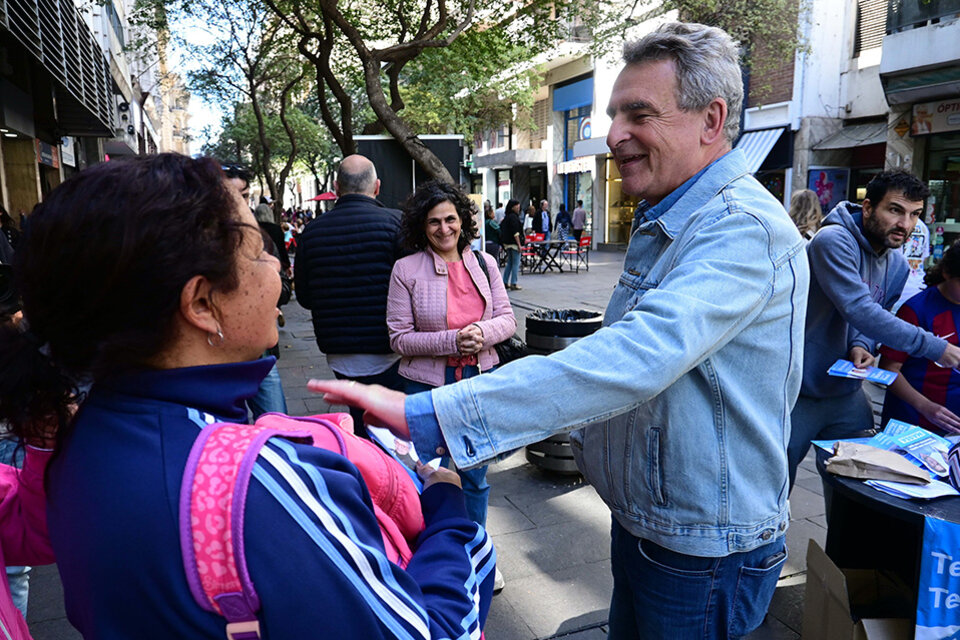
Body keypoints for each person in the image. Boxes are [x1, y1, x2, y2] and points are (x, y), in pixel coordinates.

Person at [312, 22, 809, 639]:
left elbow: (635, 357)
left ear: (711, 120)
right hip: (651, 527)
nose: (614, 134)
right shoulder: (674, 217)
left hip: (701, 550)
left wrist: (434, 415)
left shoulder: (739, 229)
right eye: (613, 114)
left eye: (639, 114)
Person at [0, 153, 493, 637]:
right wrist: (446, 506)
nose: (276, 266)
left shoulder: (79, 440)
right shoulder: (254, 484)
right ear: (201, 303)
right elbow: (432, 630)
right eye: (258, 251)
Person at [788, 170, 960, 486]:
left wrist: (862, 345)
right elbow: (860, 308)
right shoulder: (833, 241)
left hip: (847, 391)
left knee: (861, 489)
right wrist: (937, 347)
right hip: (797, 390)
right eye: (895, 210)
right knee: (774, 487)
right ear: (868, 208)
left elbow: (871, 319)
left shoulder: (895, 263)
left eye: (915, 214)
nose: (905, 224)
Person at [387, 181, 516, 589]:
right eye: (434, 222)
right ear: (421, 227)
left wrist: (482, 332)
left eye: (450, 220)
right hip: (425, 385)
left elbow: (508, 320)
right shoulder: (406, 269)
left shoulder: (485, 263)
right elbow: (398, 337)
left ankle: (476, 551)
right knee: (426, 472)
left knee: (475, 474)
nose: (444, 229)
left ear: (463, 220)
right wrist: (451, 340)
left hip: (477, 381)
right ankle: (432, 554)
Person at [295, 155, 407, 436]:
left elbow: (305, 297)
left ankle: (365, 465)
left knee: (360, 416)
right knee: (387, 422)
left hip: (339, 352)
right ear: (377, 187)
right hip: (388, 348)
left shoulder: (311, 232)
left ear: (336, 187)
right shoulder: (397, 224)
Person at [222, 164, 289, 418]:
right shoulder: (199, 243)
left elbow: (282, 291)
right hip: (219, 356)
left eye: (245, 196)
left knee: (279, 428)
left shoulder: (262, 237)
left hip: (260, 356)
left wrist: (265, 276)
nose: (240, 204)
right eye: (231, 195)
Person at [879, 241, 960, 435]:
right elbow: (888, 369)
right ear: (947, 273)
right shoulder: (917, 309)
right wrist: (925, 406)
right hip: (912, 421)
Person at [499, 199, 523, 291]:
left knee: (510, 263)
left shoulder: (507, 217)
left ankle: (505, 281)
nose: (519, 207)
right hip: (514, 244)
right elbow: (515, 232)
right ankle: (514, 283)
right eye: (517, 206)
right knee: (516, 263)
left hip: (507, 244)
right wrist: (519, 245)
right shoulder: (514, 217)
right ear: (513, 207)